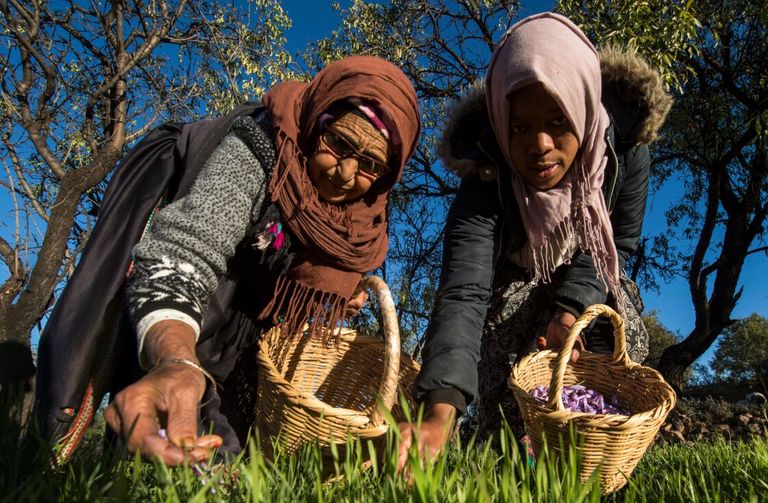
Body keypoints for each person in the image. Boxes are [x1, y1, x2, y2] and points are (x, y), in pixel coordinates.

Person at [35, 56, 420, 465]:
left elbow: (299, 277)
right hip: (189, 313)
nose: (346, 173)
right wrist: (176, 360)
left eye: (371, 164)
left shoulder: (362, 220)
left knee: (228, 465)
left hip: (242, 341)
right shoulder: (264, 147)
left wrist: (338, 296)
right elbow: (188, 246)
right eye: (339, 143)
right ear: (317, 123)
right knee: (164, 434)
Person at [397, 12, 671, 468]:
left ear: (582, 108)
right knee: (501, 396)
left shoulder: (623, 151)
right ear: (502, 124)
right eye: (519, 127)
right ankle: (502, 448)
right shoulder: (483, 176)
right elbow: (465, 292)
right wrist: (438, 415)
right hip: (514, 284)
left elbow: (615, 246)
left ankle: (591, 454)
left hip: (590, 273)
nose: (539, 144)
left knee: (609, 326)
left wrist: (570, 309)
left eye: (558, 120)